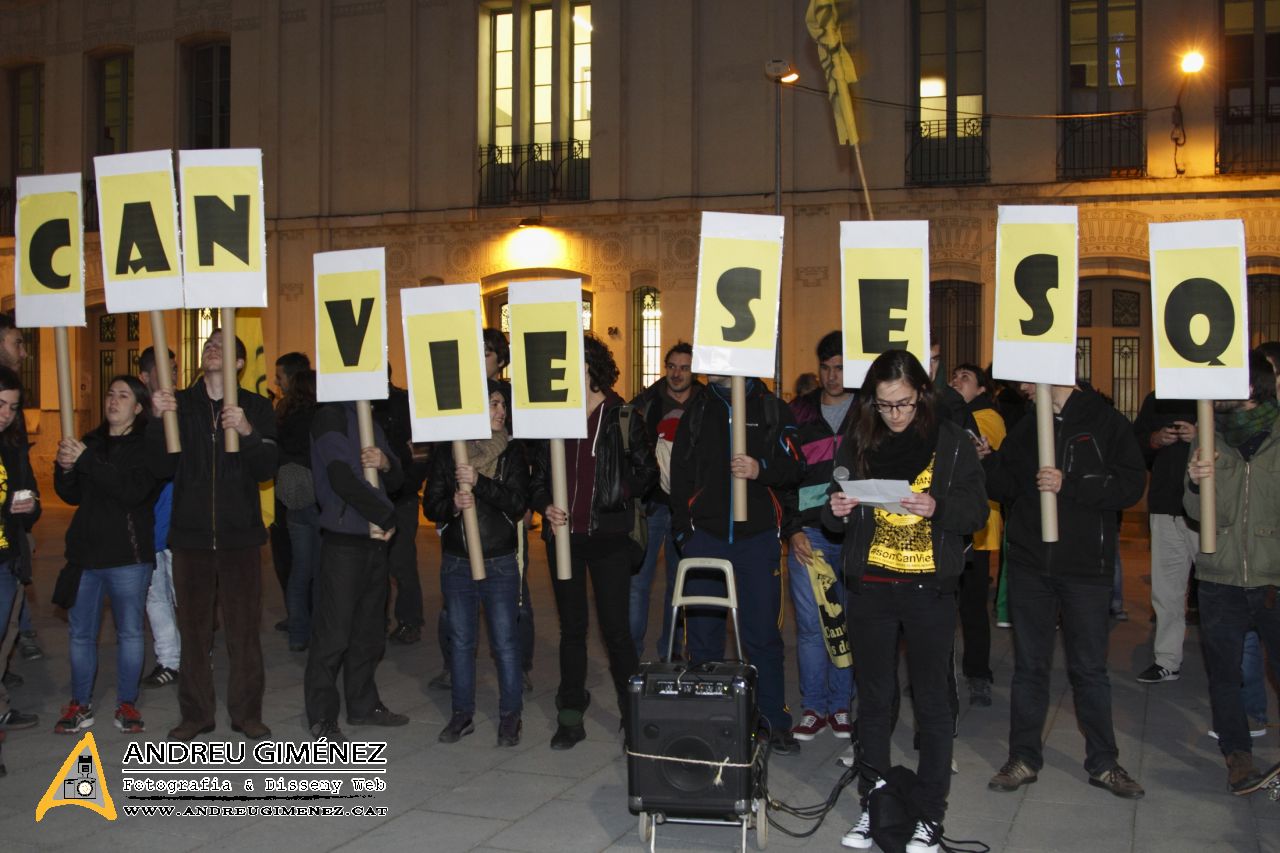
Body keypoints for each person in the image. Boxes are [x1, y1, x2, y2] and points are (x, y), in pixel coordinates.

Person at [825, 350, 987, 853]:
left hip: (927, 589)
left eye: (904, 404)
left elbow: (976, 511)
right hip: (871, 587)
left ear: (922, 395)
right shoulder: (860, 438)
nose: (895, 414)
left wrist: (938, 506)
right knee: (874, 700)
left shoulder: (952, 440)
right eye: (885, 404)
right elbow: (830, 512)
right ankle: (874, 804)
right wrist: (837, 508)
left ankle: (930, 814)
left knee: (932, 702)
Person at [983, 377, 1146, 800]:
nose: (1021, 385)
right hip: (1030, 565)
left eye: (1026, 375)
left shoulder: (1105, 421)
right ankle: (1023, 758)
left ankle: (1104, 762)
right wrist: (988, 462)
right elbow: (1006, 488)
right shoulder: (1027, 425)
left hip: (1085, 567)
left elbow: (1130, 486)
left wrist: (1069, 482)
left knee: (1089, 669)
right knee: (1029, 667)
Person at [149, 330, 278, 742]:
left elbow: (267, 467)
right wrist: (156, 420)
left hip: (241, 536)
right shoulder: (180, 404)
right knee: (193, 632)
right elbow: (159, 467)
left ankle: (247, 714)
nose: (211, 347)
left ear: (239, 363)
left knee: (243, 632)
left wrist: (248, 431)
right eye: (209, 344)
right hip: (190, 537)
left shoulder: (257, 406)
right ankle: (196, 715)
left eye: (221, 345)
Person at [531, 334, 656, 749]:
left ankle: (633, 713)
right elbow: (537, 477)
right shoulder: (554, 416)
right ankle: (570, 712)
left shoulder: (623, 415)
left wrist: (616, 490)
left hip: (610, 538)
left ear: (589, 367)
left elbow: (648, 473)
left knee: (616, 631)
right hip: (563, 538)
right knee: (572, 629)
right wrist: (545, 505)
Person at [670, 372, 806, 753]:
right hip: (705, 539)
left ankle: (772, 720)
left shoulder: (772, 408)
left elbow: (796, 467)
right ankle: (707, 718)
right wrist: (684, 533)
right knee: (702, 638)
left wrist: (760, 469)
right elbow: (679, 476)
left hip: (757, 542)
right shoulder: (698, 410)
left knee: (763, 635)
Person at [1185, 349, 1280, 792]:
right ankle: (1237, 756)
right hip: (1219, 575)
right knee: (1224, 675)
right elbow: (1194, 512)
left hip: (1273, 576)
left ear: (1250, 386)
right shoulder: (1208, 433)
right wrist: (1194, 482)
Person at [52, 375, 158, 734]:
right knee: (81, 634)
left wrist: (86, 462)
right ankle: (79, 703)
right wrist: (65, 469)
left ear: (139, 407)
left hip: (128, 555)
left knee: (130, 633)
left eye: (123, 396)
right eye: (110, 394)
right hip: (86, 555)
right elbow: (72, 495)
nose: (113, 400)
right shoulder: (91, 441)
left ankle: (126, 703)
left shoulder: (147, 446)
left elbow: (131, 491)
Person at [424, 383, 528, 746]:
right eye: (493, 403)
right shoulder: (448, 451)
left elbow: (517, 503)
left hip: (499, 561)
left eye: (503, 405)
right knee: (461, 641)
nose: (501, 411)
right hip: (457, 561)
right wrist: (452, 505)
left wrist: (479, 483)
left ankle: (510, 716)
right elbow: (431, 505)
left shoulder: (512, 452)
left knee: (505, 643)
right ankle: (461, 714)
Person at [304, 397, 409, 739]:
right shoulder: (330, 416)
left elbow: (398, 480)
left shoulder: (369, 419)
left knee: (369, 631)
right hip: (344, 542)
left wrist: (386, 463)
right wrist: (384, 514)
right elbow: (341, 476)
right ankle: (322, 715)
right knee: (334, 634)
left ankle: (363, 704)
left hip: (375, 541)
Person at [782, 331, 855, 741]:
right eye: (826, 368)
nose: (832, 376)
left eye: (840, 368)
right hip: (810, 534)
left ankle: (841, 705)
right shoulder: (799, 412)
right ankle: (814, 708)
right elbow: (786, 479)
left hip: (857, 534)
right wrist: (792, 530)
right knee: (811, 626)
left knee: (846, 622)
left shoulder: (868, 411)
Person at [628, 341, 703, 660]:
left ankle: (671, 653)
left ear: (694, 371)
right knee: (637, 582)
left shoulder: (706, 403)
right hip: (651, 505)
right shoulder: (646, 403)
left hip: (689, 508)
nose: (676, 373)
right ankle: (631, 655)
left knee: (680, 583)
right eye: (672, 366)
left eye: (684, 368)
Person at [949, 363, 1006, 707]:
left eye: (965, 378)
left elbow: (965, 448)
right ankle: (939, 672)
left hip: (977, 528)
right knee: (941, 605)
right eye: (954, 376)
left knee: (972, 604)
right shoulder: (951, 411)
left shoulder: (988, 417)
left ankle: (978, 672)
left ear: (982, 389)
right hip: (949, 523)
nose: (956, 381)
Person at [1132, 390, 1197, 683]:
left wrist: (1201, 437)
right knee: (1166, 590)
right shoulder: (1157, 398)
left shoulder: (1218, 393)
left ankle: (1230, 663)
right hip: (1164, 505)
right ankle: (1167, 660)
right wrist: (1155, 439)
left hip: (1209, 511)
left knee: (1219, 592)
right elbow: (1135, 446)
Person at [137, 347, 181, 689]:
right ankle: (169, 660)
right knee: (155, 597)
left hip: (182, 524)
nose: (172, 376)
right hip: (148, 526)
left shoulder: (187, 410)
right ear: (145, 377)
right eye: (164, 370)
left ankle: (198, 654)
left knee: (187, 595)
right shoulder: (137, 417)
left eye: (175, 370)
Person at [0, 313, 41, 663]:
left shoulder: (11, 437)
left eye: (13, 408)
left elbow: (22, 477)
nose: (23, 352)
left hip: (6, 549)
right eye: (17, 343)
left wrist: (30, 504)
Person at [0, 366, 40, 732]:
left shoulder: (12, 446)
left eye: (12, 407)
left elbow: (29, 494)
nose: (6, 414)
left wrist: (28, 505)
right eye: (0, 404)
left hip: (6, 558)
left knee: (4, 633)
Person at [378, 369, 429, 648]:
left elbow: (421, 452)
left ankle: (409, 620)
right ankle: (379, 619)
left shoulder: (405, 404)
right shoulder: (360, 405)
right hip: (375, 496)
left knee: (401, 562)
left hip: (400, 497)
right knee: (375, 564)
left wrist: (406, 484)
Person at [277, 369, 320, 653]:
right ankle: (317, 630)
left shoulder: (283, 415)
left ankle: (297, 632)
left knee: (300, 569)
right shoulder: (320, 418)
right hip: (317, 497)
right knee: (320, 568)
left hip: (293, 498)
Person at [269, 351, 311, 632]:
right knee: (307, 562)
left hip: (291, 495)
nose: (276, 382)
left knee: (292, 561)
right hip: (310, 495)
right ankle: (305, 618)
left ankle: (298, 620)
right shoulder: (319, 408)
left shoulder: (288, 412)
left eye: (279, 377)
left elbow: (278, 450)